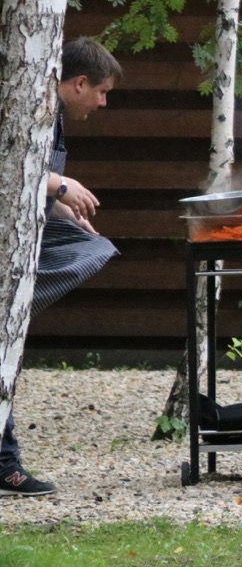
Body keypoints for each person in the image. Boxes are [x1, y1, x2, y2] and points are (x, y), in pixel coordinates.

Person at [2, 37, 122, 498]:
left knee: (93, 246)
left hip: (22, 234)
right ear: (79, 83)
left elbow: (27, 187)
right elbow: (11, 165)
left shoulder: (51, 116)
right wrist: (59, 183)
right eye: (102, 91)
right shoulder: (26, 106)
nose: (103, 103)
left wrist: (60, 208)